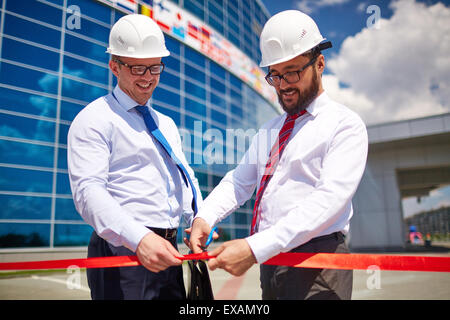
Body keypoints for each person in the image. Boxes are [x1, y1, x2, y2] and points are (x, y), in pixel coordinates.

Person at [188, 10, 368, 300]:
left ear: (319, 63)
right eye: (275, 74)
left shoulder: (344, 125)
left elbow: (329, 201)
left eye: (293, 72)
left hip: (318, 263)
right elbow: (240, 182)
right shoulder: (271, 130)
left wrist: (253, 247)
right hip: (271, 263)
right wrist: (205, 217)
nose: (283, 84)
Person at [67, 14, 202, 300]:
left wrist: (196, 219)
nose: (148, 78)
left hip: (169, 247)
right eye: (138, 68)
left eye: (155, 68)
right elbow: (87, 192)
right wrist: (138, 238)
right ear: (114, 66)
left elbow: (182, 175)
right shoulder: (94, 119)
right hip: (123, 249)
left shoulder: (165, 123)